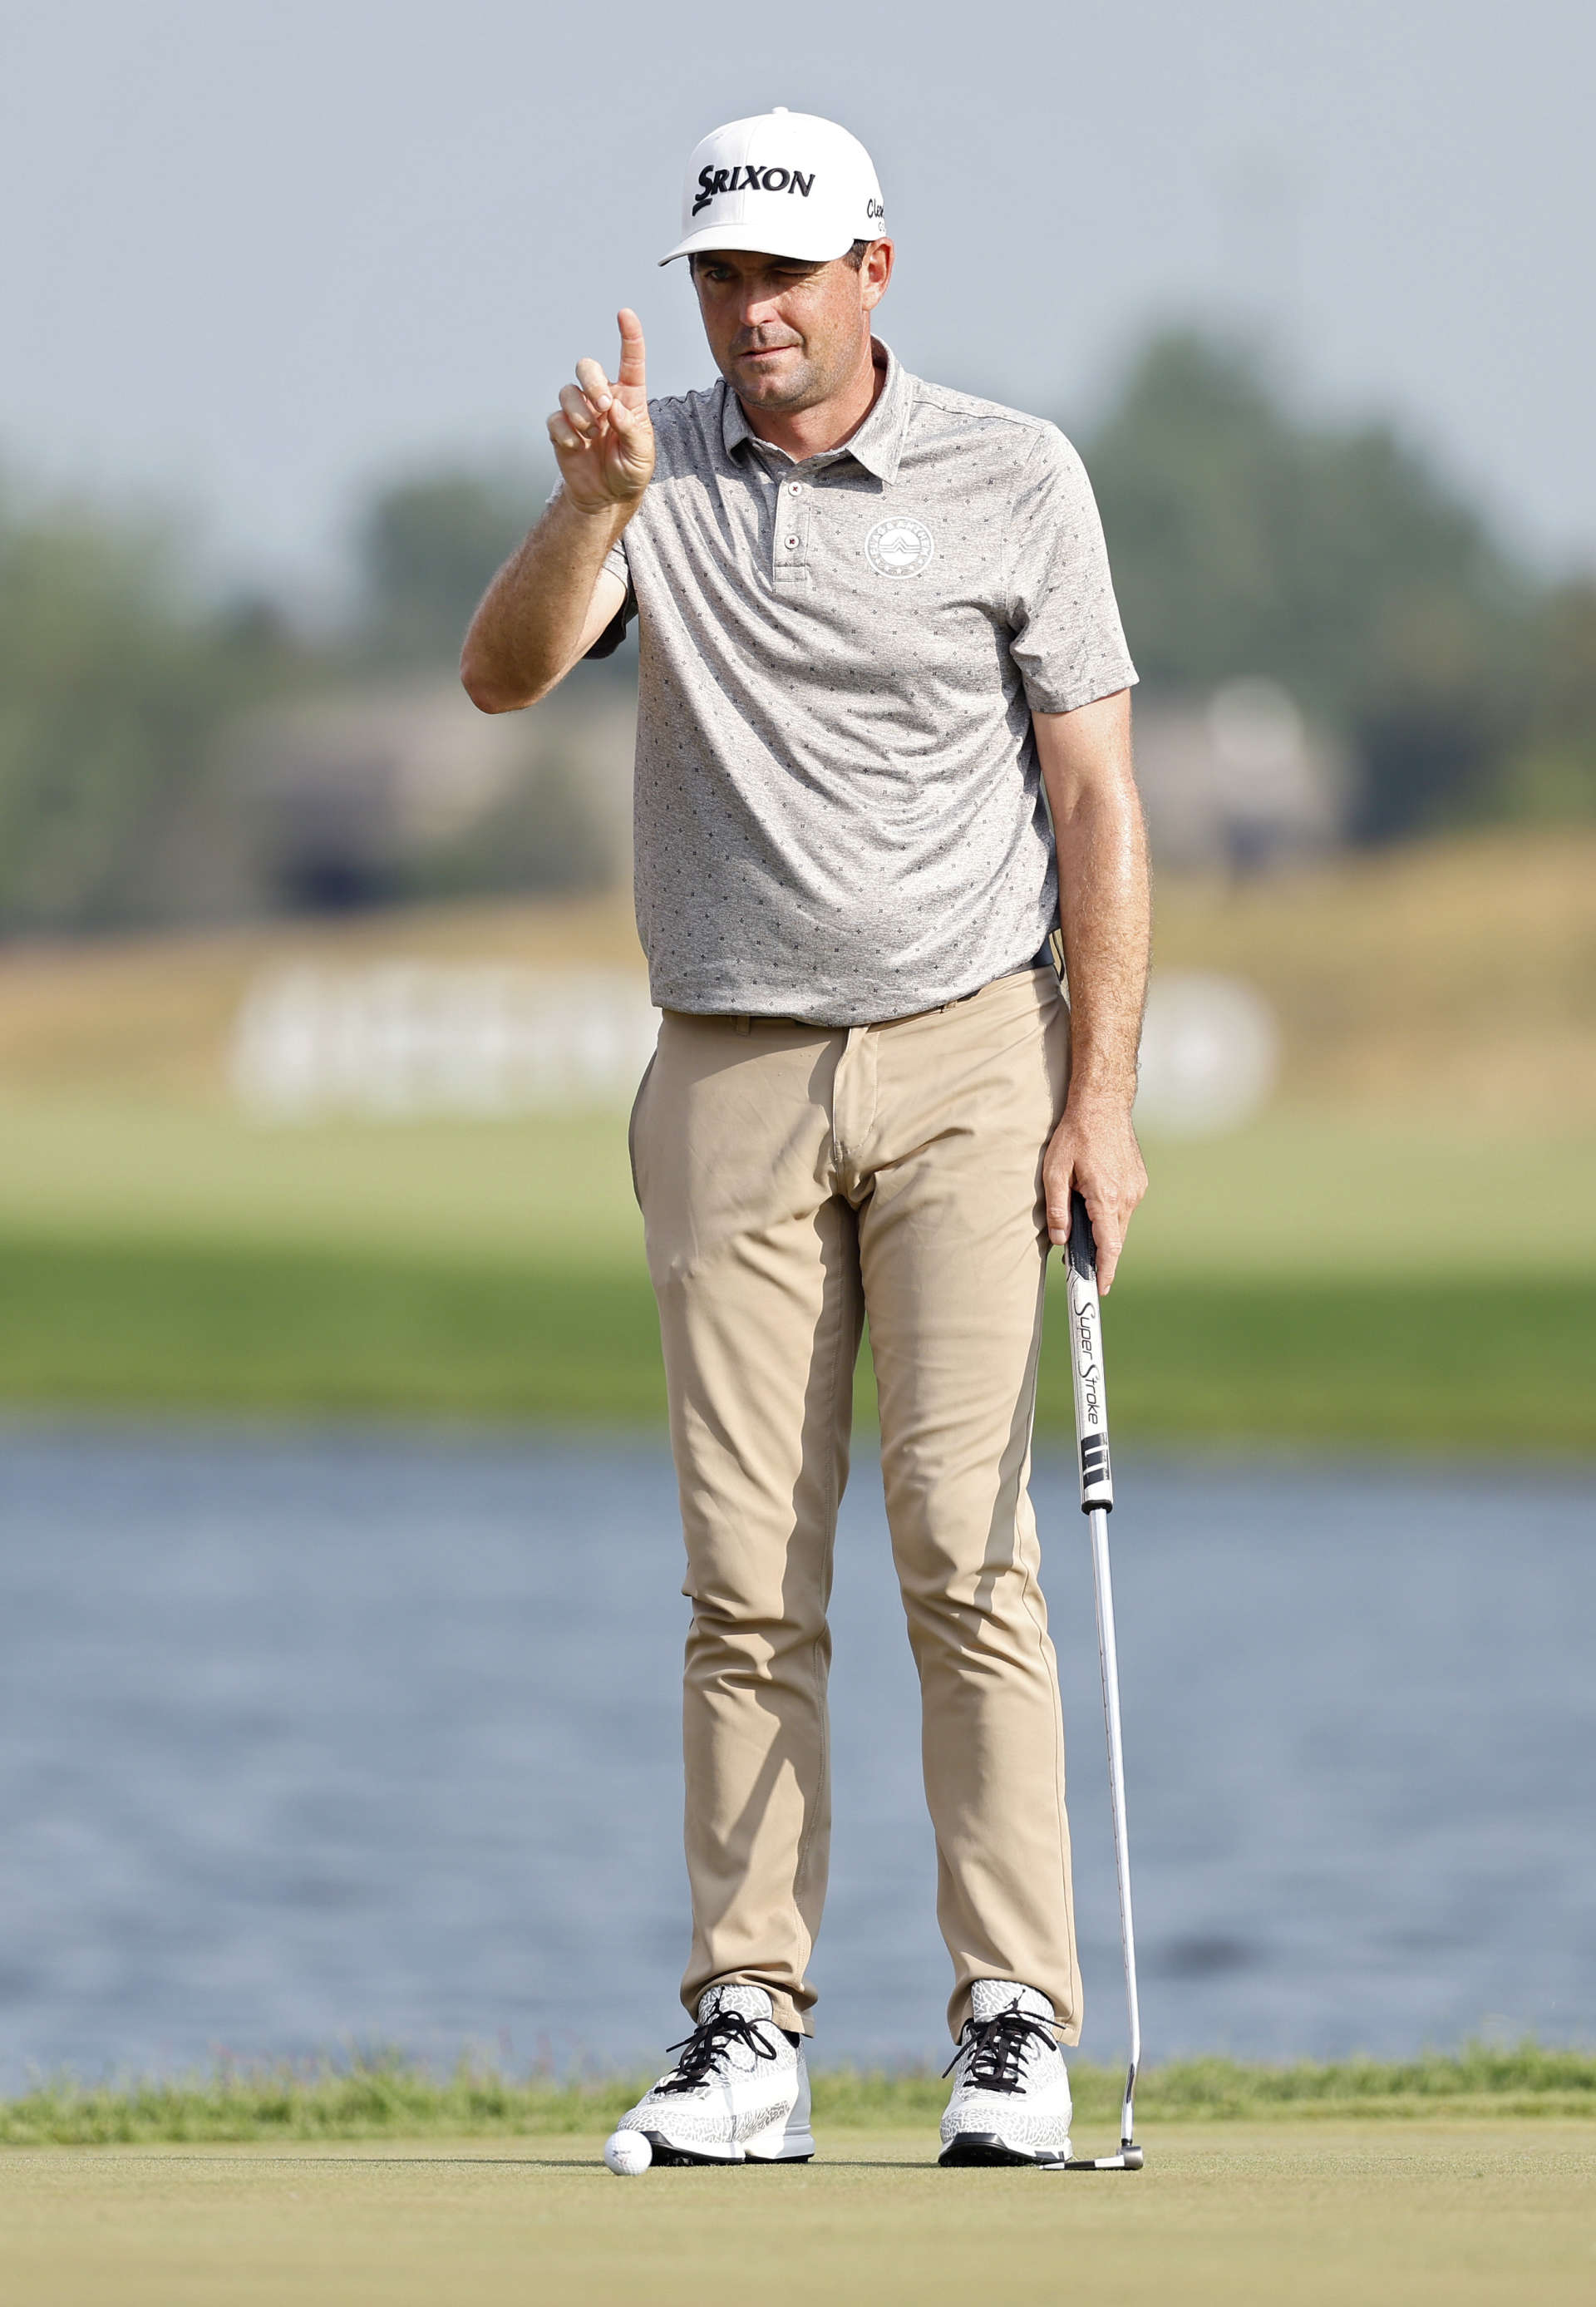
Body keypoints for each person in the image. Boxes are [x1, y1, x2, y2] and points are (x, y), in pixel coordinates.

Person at [461, 107, 1149, 2169]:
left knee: (963, 1540)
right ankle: (747, 2022)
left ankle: (1011, 2016)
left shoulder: (1015, 473)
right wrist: (587, 511)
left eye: (782, 273)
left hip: (969, 1055)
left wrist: (1100, 1097)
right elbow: (500, 679)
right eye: (716, 276)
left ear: (874, 268)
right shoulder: (644, 468)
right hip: (731, 1067)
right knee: (744, 1574)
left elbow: (1101, 806)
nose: (746, 313)